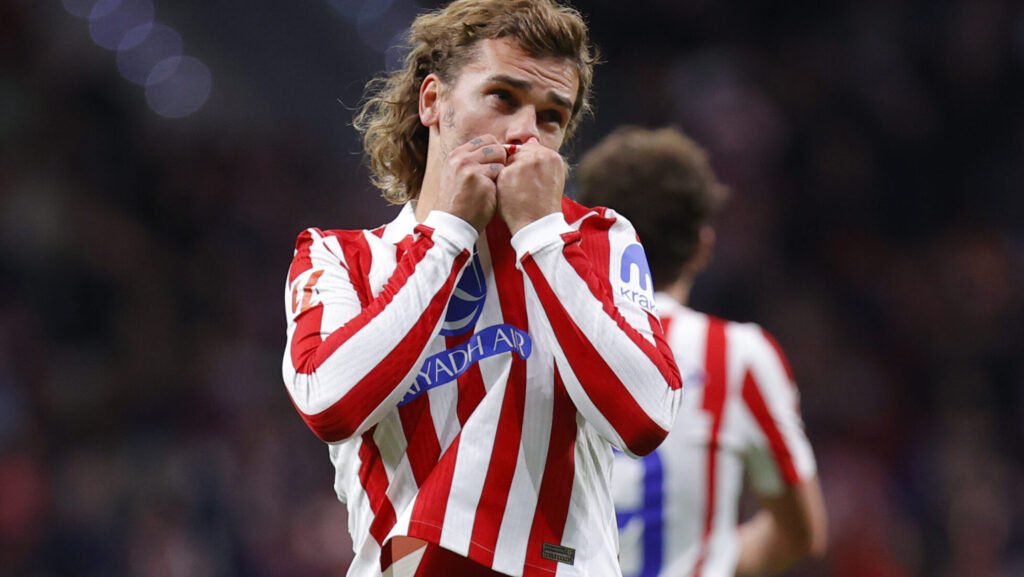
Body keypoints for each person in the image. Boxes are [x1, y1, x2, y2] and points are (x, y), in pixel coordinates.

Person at [280, 2, 682, 576]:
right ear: (433, 101)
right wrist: (447, 233)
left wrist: (543, 237)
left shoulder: (599, 240)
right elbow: (331, 405)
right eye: (502, 97)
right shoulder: (336, 258)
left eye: (551, 118)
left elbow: (645, 418)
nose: (525, 134)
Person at [575, 126, 827, 577]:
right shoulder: (737, 355)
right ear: (702, 247)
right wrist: (711, 557)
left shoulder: (545, 338)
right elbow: (801, 533)